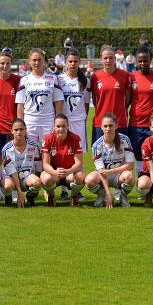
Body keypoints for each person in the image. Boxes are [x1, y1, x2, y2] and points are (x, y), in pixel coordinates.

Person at [0, 51, 21, 202]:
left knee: (12, 160)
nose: (5, 66)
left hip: (12, 127)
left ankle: (13, 190)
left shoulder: (17, 80)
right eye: (2, 63)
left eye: (7, 63)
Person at [84, 113, 135, 208]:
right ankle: (101, 195)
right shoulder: (97, 145)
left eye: (111, 125)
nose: (108, 129)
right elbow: (102, 171)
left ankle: (123, 196)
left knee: (130, 176)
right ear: (101, 127)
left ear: (116, 126)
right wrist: (108, 194)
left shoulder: (125, 140)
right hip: (102, 176)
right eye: (105, 126)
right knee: (89, 180)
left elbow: (130, 165)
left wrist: (111, 171)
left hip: (119, 175)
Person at [58, 49, 90, 198]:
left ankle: (76, 190)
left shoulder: (85, 81)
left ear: (79, 62)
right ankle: (64, 190)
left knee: (78, 157)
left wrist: (81, 118)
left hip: (78, 123)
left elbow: (86, 104)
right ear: (66, 62)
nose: (72, 64)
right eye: (70, 61)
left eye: (75, 61)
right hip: (64, 123)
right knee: (63, 155)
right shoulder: (59, 79)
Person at [16, 48, 63, 146]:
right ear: (30, 61)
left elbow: (58, 102)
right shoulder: (24, 80)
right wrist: (20, 124)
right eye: (34, 60)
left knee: (47, 152)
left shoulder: (52, 78)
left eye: (39, 60)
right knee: (30, 153)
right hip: (30, 122)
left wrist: (58, 122)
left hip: (48, 122)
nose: (37, 63)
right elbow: (20, 104)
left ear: (44, 61)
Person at [128, 45, 153, 176]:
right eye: (140, 61)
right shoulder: (131, 77)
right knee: (138, 154)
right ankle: (142, 185)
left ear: (150, 60)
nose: (142, 63)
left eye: (145, 60)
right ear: (136, 61)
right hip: (136, 123)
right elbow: (128, 100)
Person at [40, 114, 85, 207]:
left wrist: (68, 171)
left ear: (68, 126)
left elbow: (79, 163)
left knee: (80, 176)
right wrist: (55, 172)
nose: (61, 129)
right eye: (58, 126)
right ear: (54, 126)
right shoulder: (47, 139)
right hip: (54, 173)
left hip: (70, 173)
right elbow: (45, 164)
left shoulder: (76, 138)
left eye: (64, 126)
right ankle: (51, 195)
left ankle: (74, 196)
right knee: (46, 178)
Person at [90, 46, 131, 145]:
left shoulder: (124, 75)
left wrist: (121, 110)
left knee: (121, 155)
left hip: (119, 122)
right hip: (100, 122)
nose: (108, 60)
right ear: (101, 59)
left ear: (115, 59)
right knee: (99, 155)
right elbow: (95, 99)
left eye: (110, 58)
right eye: (105, 58)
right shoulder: (95, 76)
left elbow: (128, 99)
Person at [1, 119, 43, 207]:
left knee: (37, 182)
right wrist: (19, 193)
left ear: (25, 130)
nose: (19, 132)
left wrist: (36, 189)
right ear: (11, 131)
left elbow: (38, 166)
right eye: (16, 130)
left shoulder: (34, 146)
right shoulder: (6, 149)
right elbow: (13, 172)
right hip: (11, 177)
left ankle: (29, 197)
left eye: (21, 129)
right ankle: (8, 196)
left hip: (27, 178)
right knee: (8, 186)